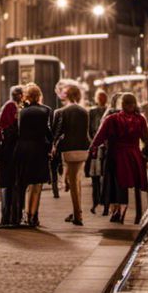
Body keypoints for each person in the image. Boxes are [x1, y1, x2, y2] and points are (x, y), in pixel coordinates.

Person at [88, 92, 148, 224]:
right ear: (134, 105)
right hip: (134, 156)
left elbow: (99, 137)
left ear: (122, 104)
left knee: (115, 184)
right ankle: (128, 212)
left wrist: (92, 149)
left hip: (115, 155)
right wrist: (147, 155)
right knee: (129, 185)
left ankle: (117, 210)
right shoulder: (140, 119)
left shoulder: (112, 119)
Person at [14, 84, 53, 227]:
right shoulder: (46, 111)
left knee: (25, 183)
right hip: (39, 149)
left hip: (23, 149)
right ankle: (32, 216)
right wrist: (50, 147)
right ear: (39, 95)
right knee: (37, 185)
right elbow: (48, 133)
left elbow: (18, 132)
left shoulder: (22, 112)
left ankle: (23, 213)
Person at [52, 84, 90, 226]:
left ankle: (78, 215)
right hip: (83, 148)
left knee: (73, 181)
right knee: (77, 179)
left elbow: (57, 132)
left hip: (68, 149)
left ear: (67, 95)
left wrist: (54, 145)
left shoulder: (61, 112)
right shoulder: (84, 111)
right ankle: (76, 212)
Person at [0, 85, 25, 229]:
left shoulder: (12, 107)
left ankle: (9, 218)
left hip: (8, 153)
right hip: (10, 153)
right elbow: (5, 129)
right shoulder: (12, 107)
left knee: (8, 185)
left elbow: (0, 130)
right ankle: (10, 218)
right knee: (10, 186)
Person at [88, 89, 113, 214]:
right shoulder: (94, 112)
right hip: (99, 149)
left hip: (101, 149)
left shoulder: (108, 112)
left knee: (100, 178)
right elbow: (88, 131)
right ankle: (99, 204)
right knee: (99, 179)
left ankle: (101, 204)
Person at [50, 81, 71, 198]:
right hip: (65, 143)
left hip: (61, 143)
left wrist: (53, 143)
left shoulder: (58, 112)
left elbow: (54, 130)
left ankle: (58, 186)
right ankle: (61, 184)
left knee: (56, 166)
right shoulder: (59, 111)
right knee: (59, 165)